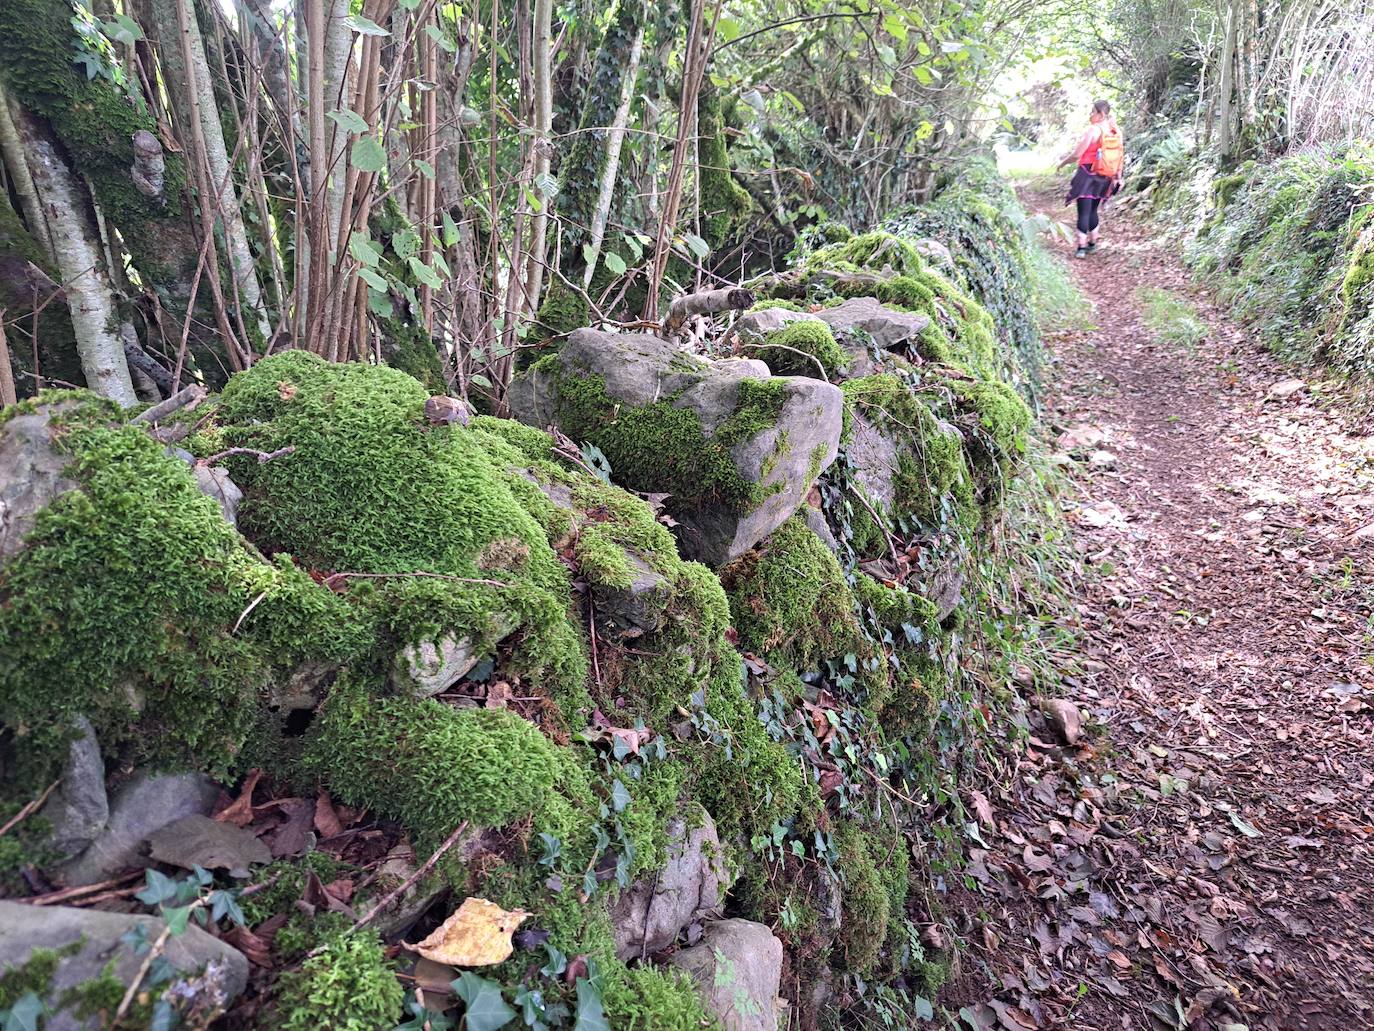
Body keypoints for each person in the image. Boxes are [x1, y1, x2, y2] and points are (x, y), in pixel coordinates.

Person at [1058, 99, 1124, 258]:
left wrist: (1062, 163)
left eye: (1093, 112)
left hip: (1087, 174)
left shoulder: (1093, 130)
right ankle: (1093, 243)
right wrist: (1118, 177)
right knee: (1093, 209)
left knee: (1083, 211)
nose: (1090, 115)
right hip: (1106, 176)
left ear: (1101, 114)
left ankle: (1081, 247)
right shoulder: (1115, 131)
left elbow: (1077, 154)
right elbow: (1120, 156)